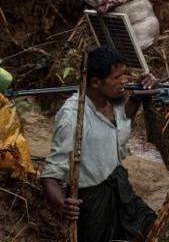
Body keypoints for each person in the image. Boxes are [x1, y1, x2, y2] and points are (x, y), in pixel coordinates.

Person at [42, 47, 158, 242]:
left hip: (120, 188)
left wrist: (138, 97)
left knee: (154, 229)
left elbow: (119, 126)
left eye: (125, 75)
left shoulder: (113, 101)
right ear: (96, 82)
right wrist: (63, 204)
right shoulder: (73, 118)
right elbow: (50, 176)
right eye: (117, 77)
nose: (125, 81)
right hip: (94, 203)